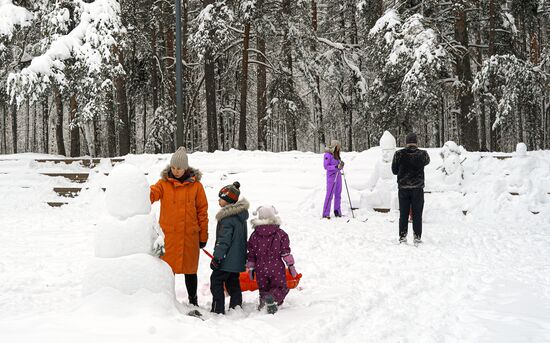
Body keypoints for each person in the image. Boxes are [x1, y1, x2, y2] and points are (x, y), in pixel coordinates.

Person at [150, 147, 209, 306]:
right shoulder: (163, 184)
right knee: (168, 271)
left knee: (190, 272)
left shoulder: (197, 186)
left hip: (189, 236)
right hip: (170, 237)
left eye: (179, 168)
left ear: (186, 168)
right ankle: (167, 300)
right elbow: (151, 194)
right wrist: (138, 192)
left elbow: (202, 212)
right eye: (173, 168)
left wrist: (203, 236)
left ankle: (193, 301)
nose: (176, 171)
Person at [246, 205, 297, 314]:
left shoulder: (254, 235)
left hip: (260, 268)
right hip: (276, 266)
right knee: (281, 287)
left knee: (263, 288)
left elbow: (251, 253)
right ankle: (273, 298)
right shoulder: (281, 234)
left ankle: (263, 304)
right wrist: (291, 265)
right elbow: (285, 252)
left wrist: (250, 268)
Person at [210, 182, 249, 314]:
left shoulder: (227, 219)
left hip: (226, 260)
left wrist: (217, 258)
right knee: (233, 282)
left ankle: (217, 309)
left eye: (220, 198)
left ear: (227, 201)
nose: (218, 201)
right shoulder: (240, 217)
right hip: (237, 259)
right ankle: (236, 307)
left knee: (216, 281)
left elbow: (223, 241)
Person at [391, 133, 430, 244]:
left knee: (403, 214)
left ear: (406, 142)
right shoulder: (423, 154)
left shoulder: (398, 154)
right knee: (417, 214)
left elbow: (394, 171)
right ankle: (417, 237)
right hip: (417, 188)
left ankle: (402, 236)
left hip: (403, 188)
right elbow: (427, 162)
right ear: (416, 142)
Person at [322, 140, 344, 219]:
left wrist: (341, 165)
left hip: (338, 177)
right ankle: (325, 213)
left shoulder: (337, 155)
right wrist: (335, 167)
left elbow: (338, 166)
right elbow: (326, 166)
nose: (339, 148)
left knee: (338, 194)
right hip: (331, 177)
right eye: (338, 147)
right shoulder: (328, 154)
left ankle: (337, 211)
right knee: (329, 195)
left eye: (339, 147)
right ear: (334, 146)